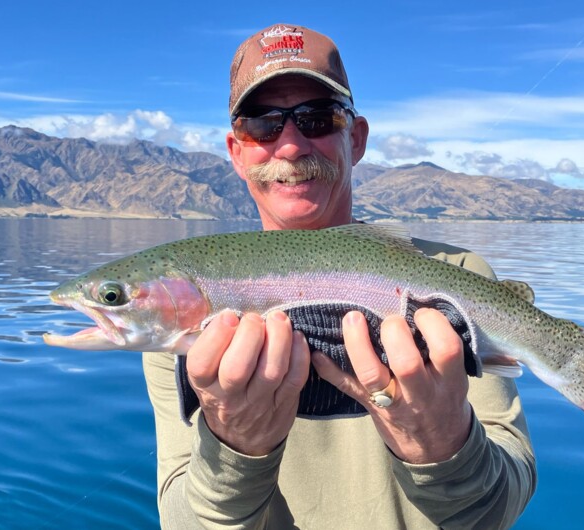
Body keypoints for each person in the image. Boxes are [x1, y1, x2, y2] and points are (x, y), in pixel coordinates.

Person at [143, 23, 536, 529]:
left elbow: (498, 510)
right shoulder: (180, 326)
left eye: (317, 119)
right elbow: (183, 522)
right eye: (261, 125)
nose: (289, 146)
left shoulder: (453, 280)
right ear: (237, 151)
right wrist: (234, 447)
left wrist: (443, 446)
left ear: (357, 136)